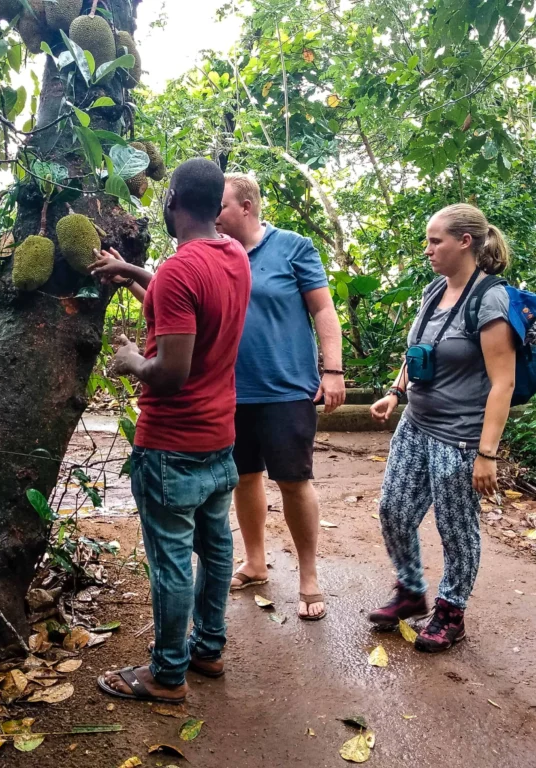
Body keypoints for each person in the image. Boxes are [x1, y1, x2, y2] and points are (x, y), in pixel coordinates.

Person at [94, 158, 251, 703]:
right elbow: (185, 309)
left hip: (171, 444)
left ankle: (166, 674)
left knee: (170, 563)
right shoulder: (233, 256)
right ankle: (207, 649)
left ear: (173, 200)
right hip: (218, 440)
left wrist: (132, 360)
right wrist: (137, 275)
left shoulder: (183, 270)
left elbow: (171, 371)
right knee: (216, 546)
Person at [367, 203, 516, 653]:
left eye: (436, 241)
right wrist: (396, 392)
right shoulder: (435, 290)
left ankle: (452, 611)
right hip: (416, 424)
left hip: (459, 435)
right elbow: (418, 351)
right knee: (393, 510)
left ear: (465, 242)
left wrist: (486, 453)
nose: (428, 249)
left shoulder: (489, 298)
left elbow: (503, 380)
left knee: (455, 528)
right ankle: (412, 591)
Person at [214, 173, 345, 621]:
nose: (215, 215)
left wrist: (333, 371)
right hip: (232, 390)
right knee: (244, 476)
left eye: (222, 206)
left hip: (287, 388)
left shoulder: (294, 247)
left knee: (293, 480)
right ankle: (255, 562)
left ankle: (308, 574)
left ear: (246, 207)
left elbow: (323, 309)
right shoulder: (217, 252)